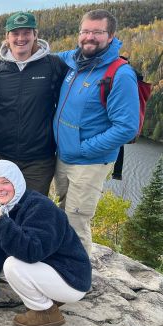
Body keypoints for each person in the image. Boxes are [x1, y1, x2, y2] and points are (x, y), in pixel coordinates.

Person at [54, 9, 139, 255]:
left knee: (77, 222)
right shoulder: (73, 61)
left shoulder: (120, 74)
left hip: (89, 161)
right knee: (63, 213)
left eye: (97, 32)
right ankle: (60, 263)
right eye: (85, 31)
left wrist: (83, 148)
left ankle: (78, 279)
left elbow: (126, 127)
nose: (89, 37)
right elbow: (37, 59)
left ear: (111, 36)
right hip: (64, 156)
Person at [0, 160, 91, 326]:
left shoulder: (40, 207)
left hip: (72, 279)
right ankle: (50, 298)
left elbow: (32, 252)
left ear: (17, 182)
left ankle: (44, 312)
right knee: (13, 260)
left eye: (6, 182)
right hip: (52, 272)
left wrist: (1, 224)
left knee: (12, 265)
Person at [0, 12, 67, 196]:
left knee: (34, 211)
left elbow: (76, 90)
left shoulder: (53, 65)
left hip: (39, 160)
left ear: (35, 35)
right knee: (0, 210)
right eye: (15, 33)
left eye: (26, 32)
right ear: (7, 37)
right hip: (3, 156)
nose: (21, 38)